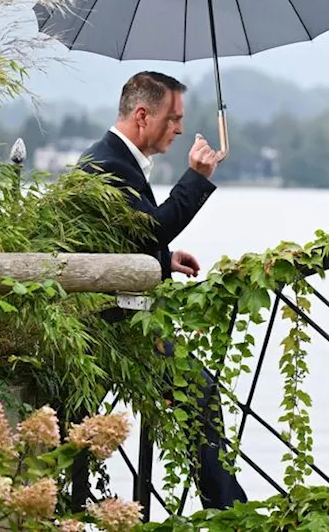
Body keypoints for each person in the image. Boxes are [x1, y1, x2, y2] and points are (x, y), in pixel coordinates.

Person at [76, 70, 247, 509]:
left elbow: (122, 237)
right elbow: (152, 225)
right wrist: (198, 177)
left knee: (195, 394)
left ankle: (227, 508)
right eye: (173, 118)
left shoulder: (109, 157)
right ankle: (231, 512)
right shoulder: (110, 164)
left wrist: (159, 260)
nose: (180, 128)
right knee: (200, 393)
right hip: (116, 327)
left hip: (116, 317)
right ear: (141, 115)